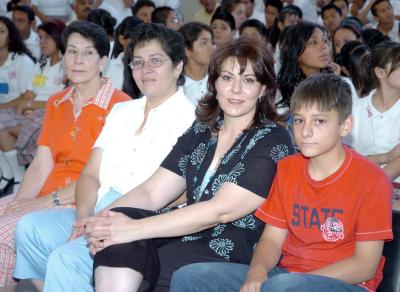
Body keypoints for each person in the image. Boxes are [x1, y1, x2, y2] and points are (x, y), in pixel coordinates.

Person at [82, 37, 294, 291]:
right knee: (122, 222)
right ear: (214, 83)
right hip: (185, 232)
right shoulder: (202, 130)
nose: (235, 89)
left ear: (263, 89)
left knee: (135, 252)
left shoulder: (273, 138)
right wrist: (103, 223)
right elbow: (151, 193)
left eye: (248, 80)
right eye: (227, 78)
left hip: (232, 248)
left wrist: (130, 230)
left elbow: (221, 210)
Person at [13, 23, 196, 292]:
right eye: (138, 62)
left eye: (156, 61)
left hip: (138, 218)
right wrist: (84, 216)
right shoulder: (122, 111)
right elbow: (90, 173)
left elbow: (176, 194)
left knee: (65, 259)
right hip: (94, 205)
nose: (145, 70)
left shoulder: (192, 121)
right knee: (28, 228)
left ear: (178, 67)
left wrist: (98, 221)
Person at [170, 73, 393, 292]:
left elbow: (365, 266)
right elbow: (272, 240)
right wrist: (257, 274)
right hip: (285, 278)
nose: (306, 131)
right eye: (299, 120)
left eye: (320, 121)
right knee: (190, 276)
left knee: (283, 286)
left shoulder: (372, 179)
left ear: (345, 126)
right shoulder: (288, 169)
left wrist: (295, 282)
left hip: (346, 283)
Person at [0, 20, 130, 291]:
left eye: (88, 53)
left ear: (103, 61)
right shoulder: (56, 101)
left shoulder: (121, 106)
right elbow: (42, 162)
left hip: (84, 200)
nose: (78, 60)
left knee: (4, 232)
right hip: (48, 194)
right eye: (71, 51)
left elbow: (102, 176)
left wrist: (38, 204)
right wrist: (22, 202)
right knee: (7, 216)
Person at [0, 20, 66, 196]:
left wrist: (31, 105)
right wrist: (26, 104)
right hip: (32, 110)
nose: (42, 42)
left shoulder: (66, 66)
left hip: (51, 113)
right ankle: (17, 176)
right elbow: (28, 93)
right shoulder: (42, 63)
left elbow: (63, 100)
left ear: (58, 38)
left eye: (47, 37)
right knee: (2, 129)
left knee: (25, 122)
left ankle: (19, 174)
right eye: (40, 37)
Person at [350, 41, 400, 182]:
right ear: (380, 72)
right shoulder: (355, 109)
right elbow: (343, 158)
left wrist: (373, 187)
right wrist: (384, 157)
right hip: (358, 183)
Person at [0, 16, 36, 195]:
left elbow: (24, 95)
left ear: (10, 36)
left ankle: (13, 175)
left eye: (1, 32)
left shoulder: (22, 61)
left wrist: (2, 106)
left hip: (18, 110)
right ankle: (9, 173)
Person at [179, 21, 214, 106]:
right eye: (204, 43)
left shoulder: (218, 80)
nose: (212, 48)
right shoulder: (176, 86)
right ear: (186, 50)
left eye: (212, 42)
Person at [104, 16, 143, 90]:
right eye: (135, 39)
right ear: (122, 39)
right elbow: (106, 95)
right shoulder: (114, 65)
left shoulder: (148, 66)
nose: (140, 44)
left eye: (143, 39)